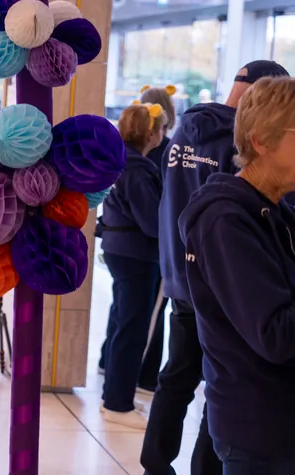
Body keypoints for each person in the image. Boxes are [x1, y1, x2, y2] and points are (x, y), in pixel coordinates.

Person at [140, 60, 290, 475]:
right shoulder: (234, 169)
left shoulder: (187, 131)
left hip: (181, 270)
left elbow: (169, 199)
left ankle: (155, 459)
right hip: (217, 277)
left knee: (180, 374)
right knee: (217, 376)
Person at [180, 77, 295, 475]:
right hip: (260, 429)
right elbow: (276, 334)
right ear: (262, 140)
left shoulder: (274, 211)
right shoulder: (225, 221)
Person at [99, 85, 177, 389]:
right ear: (151, 131)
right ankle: (123, 394)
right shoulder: (141, 168)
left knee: (123, 316)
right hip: (138, 251)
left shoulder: (120, 160)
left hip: (119, 247)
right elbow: (152, 221)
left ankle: (114, 377)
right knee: (136, 323)